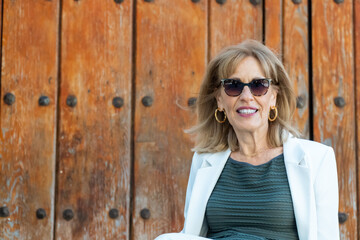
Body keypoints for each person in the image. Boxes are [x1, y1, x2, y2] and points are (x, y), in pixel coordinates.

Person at [155, 40, 339, 240]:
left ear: (274, 97)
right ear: (219, 100)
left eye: (258, 85)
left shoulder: (318, 159)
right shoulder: (204, 160)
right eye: (233, 86)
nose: (246, 96)